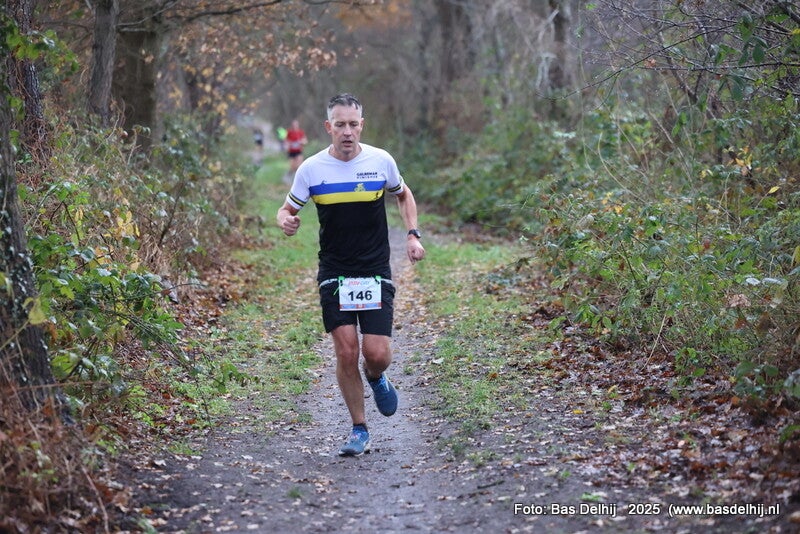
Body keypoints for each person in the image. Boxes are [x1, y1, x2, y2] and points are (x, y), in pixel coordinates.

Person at [276, 93, 425, 457]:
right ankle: (359, 429)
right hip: (335, 269)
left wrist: (412, 234)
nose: (347, 131)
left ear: (362, 125)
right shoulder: (311, 169)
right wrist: (286, 221)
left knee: (376, 353)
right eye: (340, 125)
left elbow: (403, 194)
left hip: (374, 268)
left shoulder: (381, 161)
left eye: (353, 124)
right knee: (346, 351)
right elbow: (286, 209)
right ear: (328, 127)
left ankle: (376, 376)